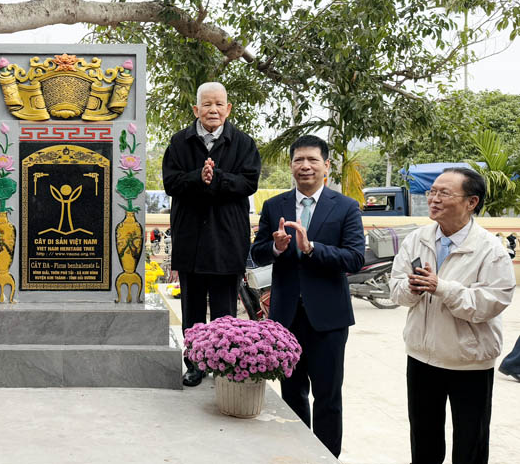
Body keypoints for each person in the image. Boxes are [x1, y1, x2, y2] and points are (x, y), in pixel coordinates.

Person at [390, 167, 515, 464]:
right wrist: (414, 289)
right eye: (432, 192)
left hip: (469, 361)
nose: (433, 199)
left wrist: (441, 287)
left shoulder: (490, 250)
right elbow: (396, 289)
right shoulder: (417, 238)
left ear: (471, 202)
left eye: (444, 193)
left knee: (470, 444)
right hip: (422, 356)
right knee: (423, 440)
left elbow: (491, 303)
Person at [251, 135, 365, 458]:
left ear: (326, 166)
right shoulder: (275, 206)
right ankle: (297, 455)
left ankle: (326, 457)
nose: (305, 166)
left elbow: (355, 258)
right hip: (286, 318)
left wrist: (313, 249)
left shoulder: (345, 207)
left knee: (328, 398)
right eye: (299, 160)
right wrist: (276, 247)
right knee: (292, 394)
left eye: (313, 160)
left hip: (328, 320)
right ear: (290, 165)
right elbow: (257, 253)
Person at [162, 81, 261, 387]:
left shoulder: (243, 143)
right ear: (196, 109)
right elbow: (170, 182)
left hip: (226, 239)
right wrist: (197, 177)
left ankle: (223, 365)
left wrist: (216, 179)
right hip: (191, 239)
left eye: (219, 104)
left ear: (228, 109)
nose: (213, 110)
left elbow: (249, 183)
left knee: (224, 310)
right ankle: (194, 364)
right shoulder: (180, 142)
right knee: (191, 308)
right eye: (207, 104)